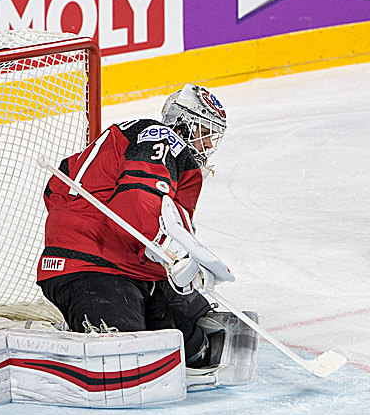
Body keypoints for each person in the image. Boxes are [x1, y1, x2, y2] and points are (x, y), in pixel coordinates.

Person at [36, 83, 229, 370]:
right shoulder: (162, 138)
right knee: (121, 360)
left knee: (198, 352)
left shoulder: (165, 155)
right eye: (205, 133)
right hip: (92, 266)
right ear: (184, 125)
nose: (210, 145)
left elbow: (57, 190)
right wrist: (167, 248)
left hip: (135, 266)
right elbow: (137, 207)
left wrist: (182, 257)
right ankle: (51, 342)